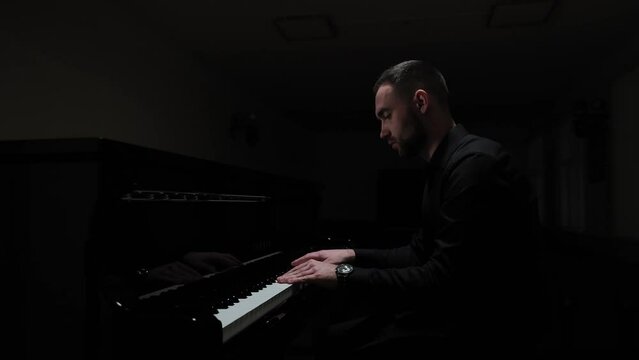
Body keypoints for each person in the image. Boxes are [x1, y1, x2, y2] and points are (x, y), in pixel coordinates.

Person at [277, 60, 543, 358]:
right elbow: (420, 251)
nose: (382, 131)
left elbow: (439, 280)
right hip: (452, 319)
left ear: (420, 101)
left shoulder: (474, 165)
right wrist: (352, 255)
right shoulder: (445, 165)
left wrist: (343, 273)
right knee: (325, 333)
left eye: (386, 116)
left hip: (483, 335)